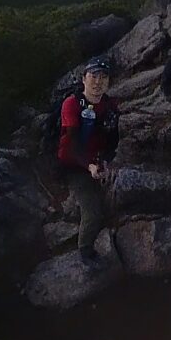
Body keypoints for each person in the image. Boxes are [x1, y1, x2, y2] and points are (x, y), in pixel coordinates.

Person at [57, 55, 120, 268]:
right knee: (93, 212)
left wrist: (106, 161)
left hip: (94, 161)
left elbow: (113, 140)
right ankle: (86, 251)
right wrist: (90, 166)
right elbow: (73, 144)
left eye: (103, 77)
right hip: (73, 165)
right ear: (84, 79)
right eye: (94, 76)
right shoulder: (72, 104)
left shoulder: (110, 106)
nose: (98, 82)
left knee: (102, 199)